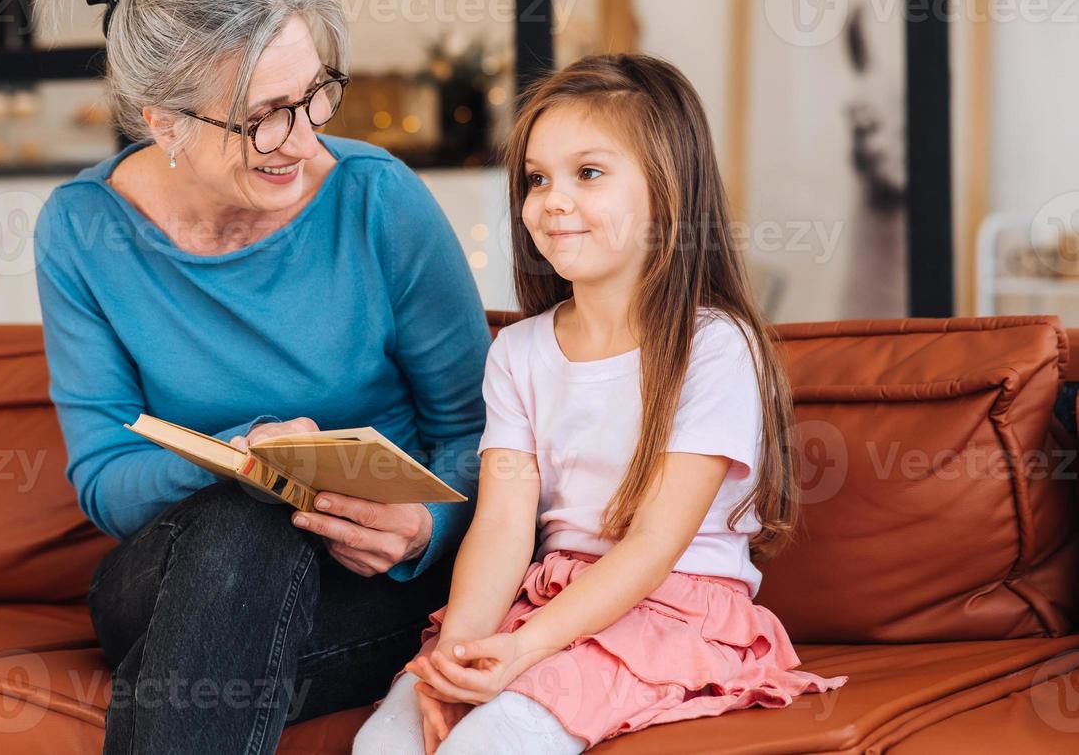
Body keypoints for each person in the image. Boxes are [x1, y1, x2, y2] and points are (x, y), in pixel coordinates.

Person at [31, 0, 491, 754]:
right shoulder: (83, 228)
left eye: (316, 95)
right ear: (162, 120)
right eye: (263, 115)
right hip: (165, 572)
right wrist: (248, 455)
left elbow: (480, 431)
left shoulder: (376, 200)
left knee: (218, 629)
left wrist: (428, 529)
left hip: (372, 578)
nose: (306, 140)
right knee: (246, 515)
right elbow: (103, 476)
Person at [354, 54, 849, 754]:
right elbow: (500, 526)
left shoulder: (716, 347)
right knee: (387, 739)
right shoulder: (518, 352)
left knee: (488, 742)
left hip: (673, 609)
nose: (552, 200)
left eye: (588, 173)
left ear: (667, 192)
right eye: (536, 179)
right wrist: (456, 656)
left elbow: (652, 546)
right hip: (545, 601)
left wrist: (524, 653)